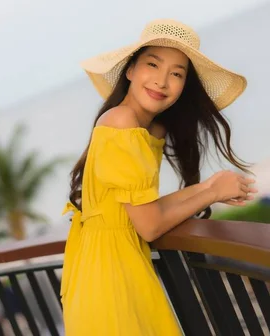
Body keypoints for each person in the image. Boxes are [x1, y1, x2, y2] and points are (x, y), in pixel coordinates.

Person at [60, 19, 257, 335]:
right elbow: (150, 225)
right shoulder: (121, 122)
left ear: (183, 86)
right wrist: (209, 193)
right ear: (130, 70)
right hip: (112, 282)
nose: (162, 81)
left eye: (176, 73)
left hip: (110, 271)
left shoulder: (145, 128)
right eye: (152, 64)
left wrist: (209, 187)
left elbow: (144, 208)